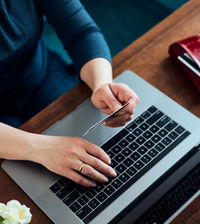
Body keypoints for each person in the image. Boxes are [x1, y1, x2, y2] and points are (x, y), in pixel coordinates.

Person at [0, 0, 139, 187]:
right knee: (30, 183)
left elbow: (79, 32)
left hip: (42, 74)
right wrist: (40, 148)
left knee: (107, 144)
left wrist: (102, 84)